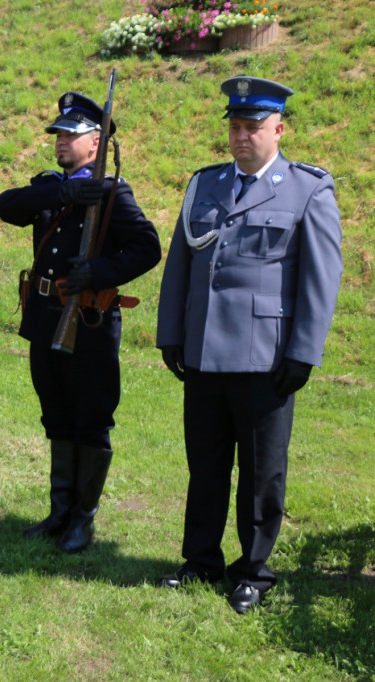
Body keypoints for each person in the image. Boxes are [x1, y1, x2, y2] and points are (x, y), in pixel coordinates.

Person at [156, 77, 343, 614]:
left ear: (278, 129)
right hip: (206, 352)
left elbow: (320, 278)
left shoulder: (307, 189)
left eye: (252, 127)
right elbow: (181, 267)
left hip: (266, 358)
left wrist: (304, 352)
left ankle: (254, 571)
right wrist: (172, 334)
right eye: (234, 127)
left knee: (263, 470)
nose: (241, 137)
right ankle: (200, 560)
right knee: (206, 463)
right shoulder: (204, 185)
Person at [0, 92, 161, 553]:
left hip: (88, 324)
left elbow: (147, 247)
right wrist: (61, 191)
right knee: (57, 417)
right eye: (59, 135)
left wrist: (100, 272)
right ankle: (59, 511)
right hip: (45, 320)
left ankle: (82, 521)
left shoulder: (112, 193)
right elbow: (7, 205)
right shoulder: (52, 188)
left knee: (90, 420)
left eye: (71, 135)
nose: (61, 141)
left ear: (97, 143)